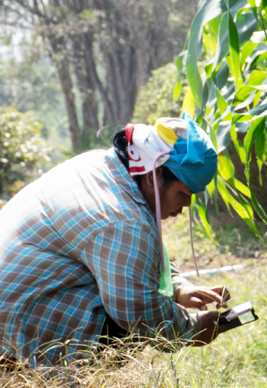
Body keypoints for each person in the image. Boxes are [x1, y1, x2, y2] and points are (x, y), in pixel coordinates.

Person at [0, 115, 230, 368]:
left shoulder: (102, 165)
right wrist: (191, 329)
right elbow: (135, 308)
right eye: (183, 194)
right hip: (13, 329)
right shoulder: (123, 219)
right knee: (130, 326)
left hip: (14, 301)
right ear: (156, 174)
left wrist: (178, 287)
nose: (185, 206)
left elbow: (135, 252)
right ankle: (60, 387)